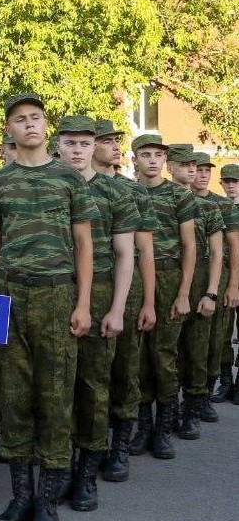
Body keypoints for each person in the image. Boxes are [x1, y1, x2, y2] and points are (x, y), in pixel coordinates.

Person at [0, 93, 96, 521]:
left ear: (47, 126)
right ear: (8, 130)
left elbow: (84, 244)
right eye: (20, 119)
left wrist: (83, 302)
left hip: (56, 295)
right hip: (9, 295)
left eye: (36, 118)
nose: (29, 124)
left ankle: (46, 501)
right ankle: (21, 496)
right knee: (13, 397)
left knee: (56, 398)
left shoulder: (69, 179)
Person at [54, 116, 137, 511]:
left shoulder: (116, 192)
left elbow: (125, 256)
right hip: (53, 291)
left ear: (93, 148)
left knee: (93, 387)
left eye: (84, 144)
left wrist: (118, 308)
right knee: (55, 388)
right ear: (58, 145)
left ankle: (86, 472)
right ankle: (60, 468)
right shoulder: (47, 184)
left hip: (101, 291)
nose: (76, 151)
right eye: (69, 143)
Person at [91, 120, 157, 482]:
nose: (114, 146)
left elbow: (143, 250)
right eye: (106, 141)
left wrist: (148, 301)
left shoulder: (133, 192)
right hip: (84, 290)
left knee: (124, 372)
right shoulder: (74, 186)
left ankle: (119, 449)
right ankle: (91, 445)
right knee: (89, 377)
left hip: (125, 294)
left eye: (117, 141)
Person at [131, 135, 196, 460]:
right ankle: (143, 426)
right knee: (139, 356)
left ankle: (164, 427)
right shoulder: (128, 192)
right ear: (135, 159)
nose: (153, 160)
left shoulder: (178, 195)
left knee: (164, 354)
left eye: (158, 155)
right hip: (136, 277)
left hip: (169, 276)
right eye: (146, 154)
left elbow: (189, 247)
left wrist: (184, 293)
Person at [166, 146, 222, 439]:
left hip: (199, 280)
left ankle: (192, 409)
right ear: (171, 167)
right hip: (168, 279)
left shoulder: (209, 207)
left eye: (195, 165)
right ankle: (169, 409)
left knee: (197, 351)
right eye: (185, 165)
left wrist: (212, 293)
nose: (192, 170)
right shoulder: (159, 200)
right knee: (167, 352)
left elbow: (216, 253)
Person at [192, 156, 239, 412]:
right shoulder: (182, 199)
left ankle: (212, 387)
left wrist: (232, 284)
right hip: (191, 276)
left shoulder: (221, 205)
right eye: (197, 170)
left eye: (205, 170)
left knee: (218, 336)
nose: (201, 174)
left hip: (220, 277)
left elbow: (233, 247)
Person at [218, 163, 239, 406]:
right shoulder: (219, 207)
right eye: (228, 181)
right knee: (223, 334)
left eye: (235, 181)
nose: (232, 185)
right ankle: (225, 381)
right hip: (225, 276)